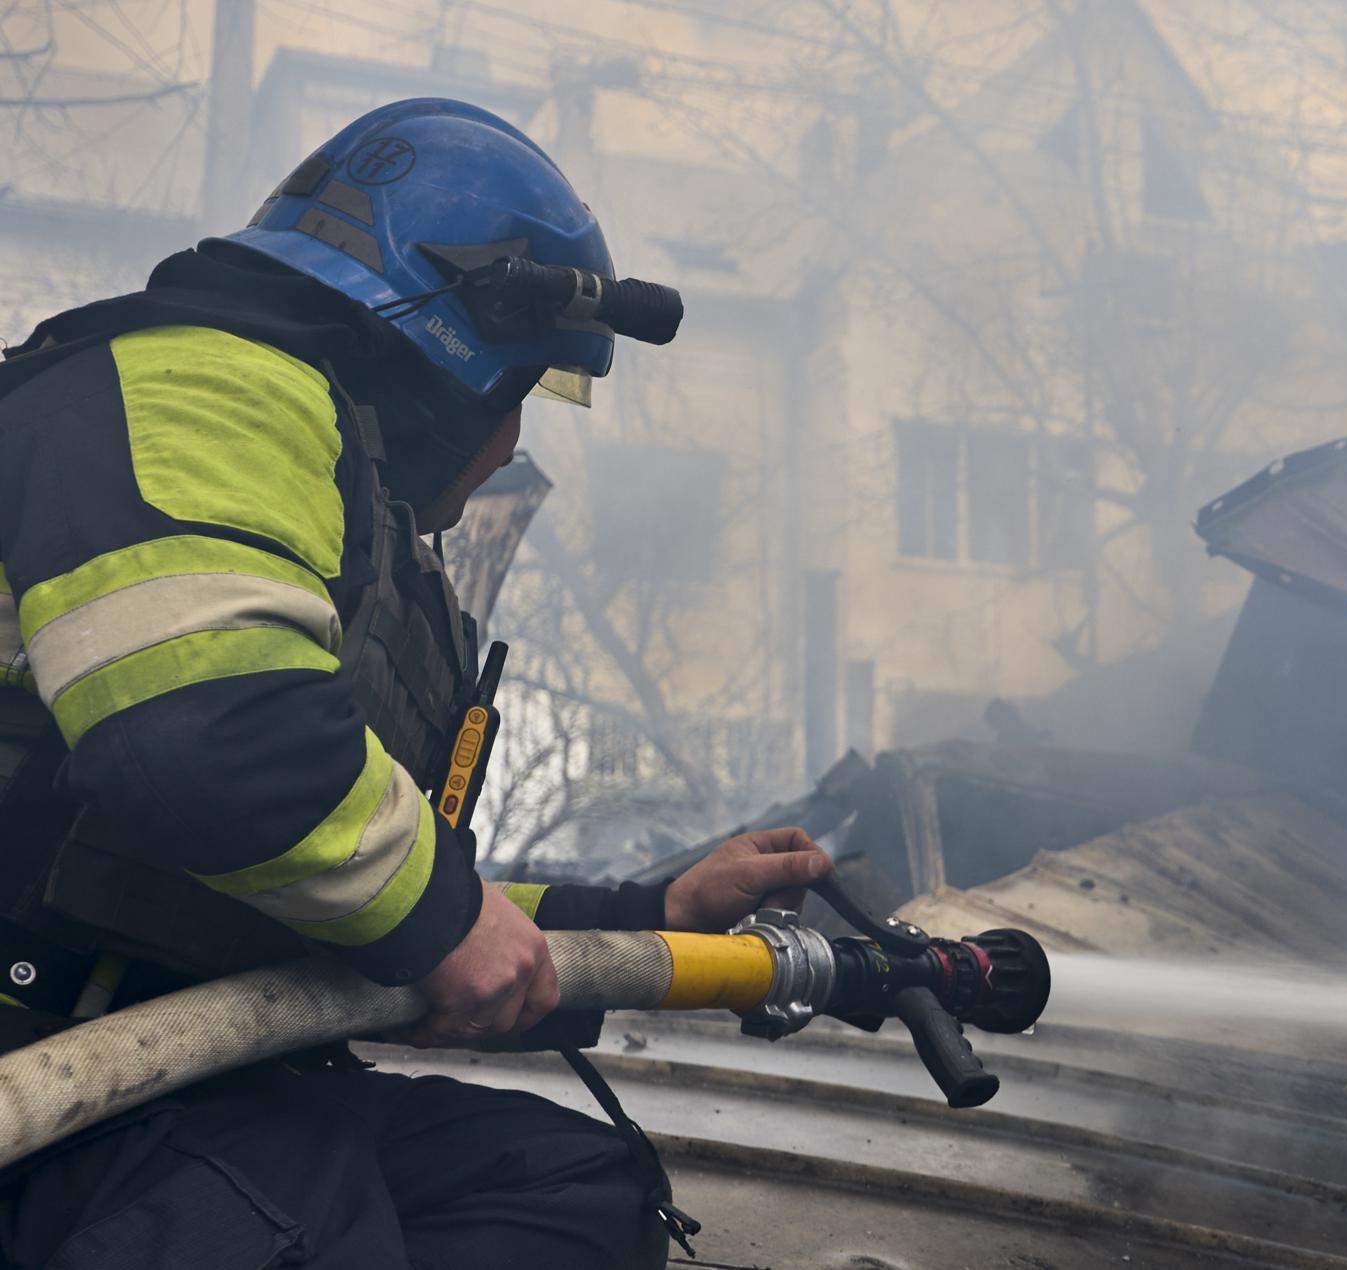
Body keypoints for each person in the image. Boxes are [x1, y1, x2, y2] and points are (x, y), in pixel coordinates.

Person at [0, 97, 828, 1268]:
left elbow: (384, 881)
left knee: (565, 1186)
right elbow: (201, 738)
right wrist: (439, 918)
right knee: (302, 1228)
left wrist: (650, 918)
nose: (506, 448)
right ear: (455, 337)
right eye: (524, 393)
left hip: (171, 1066)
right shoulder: (201, 389)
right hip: (46, 1072)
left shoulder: (288, 456)